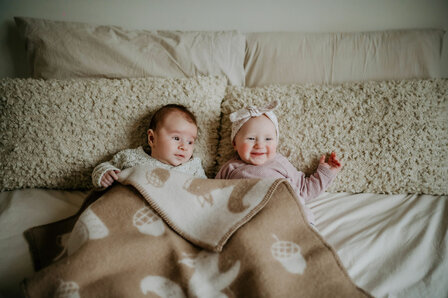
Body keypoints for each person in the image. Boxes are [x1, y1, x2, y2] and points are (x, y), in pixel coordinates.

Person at [215, 101, 342, 224]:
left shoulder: (280, 163)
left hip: (287, 214)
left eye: (268, 139)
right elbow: (214, 195)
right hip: (250, 219)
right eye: (251, 138)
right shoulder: (230, 168)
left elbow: (304, 189)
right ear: (234, 144)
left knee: (300, 221)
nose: (260, 145)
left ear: (276, 142)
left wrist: (326, 172)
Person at [92, 104, 206, 188]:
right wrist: (105, 174)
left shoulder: (193, 167)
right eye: (176, 138)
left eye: (190, 142)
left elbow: (207, 189)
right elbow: (103, 167)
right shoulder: (131, 157)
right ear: (152, 138)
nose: (184, 147)